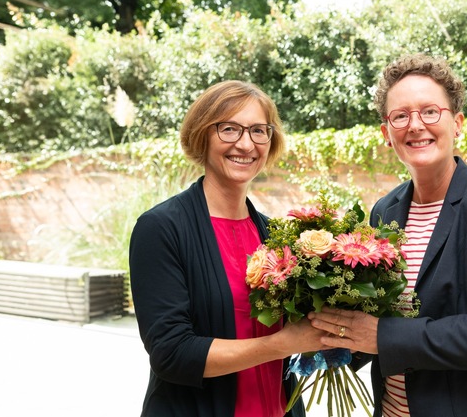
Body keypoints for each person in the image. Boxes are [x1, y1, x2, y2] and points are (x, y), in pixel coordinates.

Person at [309, 54, 467, 416]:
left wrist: (381, 336)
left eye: (430, 111)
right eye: (400, 116)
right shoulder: (385, 211)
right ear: (387, 133)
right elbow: (378, 312)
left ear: (457, 123)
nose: (415, 125)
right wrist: (330, 335)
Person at [129, 80, 327, 416]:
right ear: (202, 135)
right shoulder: (161, 228)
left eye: (258, 131)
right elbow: (172, 354)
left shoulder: (273, 233)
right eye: (229, 129)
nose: (246, 144)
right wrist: (284, 344)